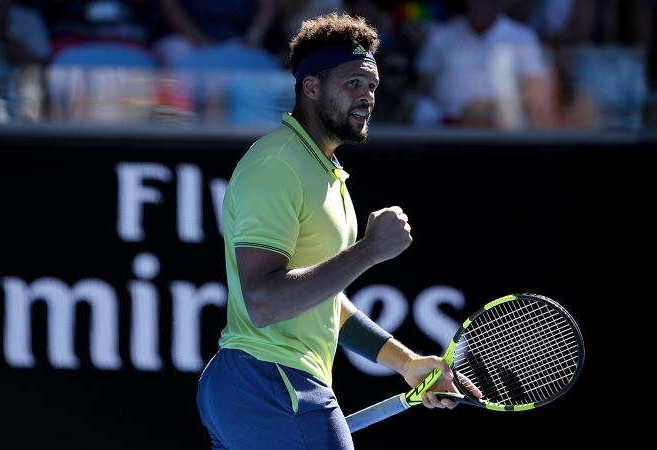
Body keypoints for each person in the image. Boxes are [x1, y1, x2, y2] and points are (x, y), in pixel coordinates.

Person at [195, 12, 475, 450]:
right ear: (311, 87)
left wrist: (405, 362)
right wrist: (368, 250)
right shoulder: (277, 165)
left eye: (372, 86)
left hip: (261, 389)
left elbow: (322, 300)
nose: (367, 97)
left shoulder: (324, 172)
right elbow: (263, 302)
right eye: (353, 83)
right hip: (271, 383)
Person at [413, 0, 553, 129]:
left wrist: (489, 108)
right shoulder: (441, 35)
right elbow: (421, 88)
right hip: (446, 130)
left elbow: (536, 93)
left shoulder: (523, 36)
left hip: (503, 128)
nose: (476, 6)